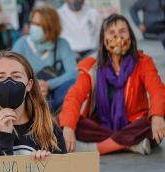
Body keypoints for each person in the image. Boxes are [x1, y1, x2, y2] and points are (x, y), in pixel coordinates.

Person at [59, 14, 165, 156]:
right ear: (104, 40)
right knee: (61, 121)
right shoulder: (92, 66)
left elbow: (157, 90)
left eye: (122, 32)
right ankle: (131, 144)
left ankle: (97, 148)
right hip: (102, 125)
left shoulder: (143, 62)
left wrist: (157, 116)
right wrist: (68, 127)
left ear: (130, 37)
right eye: (111, 33)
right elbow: (75, 95)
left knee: (159, 115)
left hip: (134, 124)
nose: (117, 37)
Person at [12, 5, 78, 112]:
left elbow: (74, 72)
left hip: (53, 95)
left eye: (39, 25)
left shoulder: (61, 44)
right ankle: (38, 112)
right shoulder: (21, 44)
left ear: (51, 27)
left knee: (76, 83)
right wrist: (34, 87)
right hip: (28, 97)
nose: (34, 28)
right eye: (33, 23)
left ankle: (44, 112)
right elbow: (12, 76)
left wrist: (49, 84)